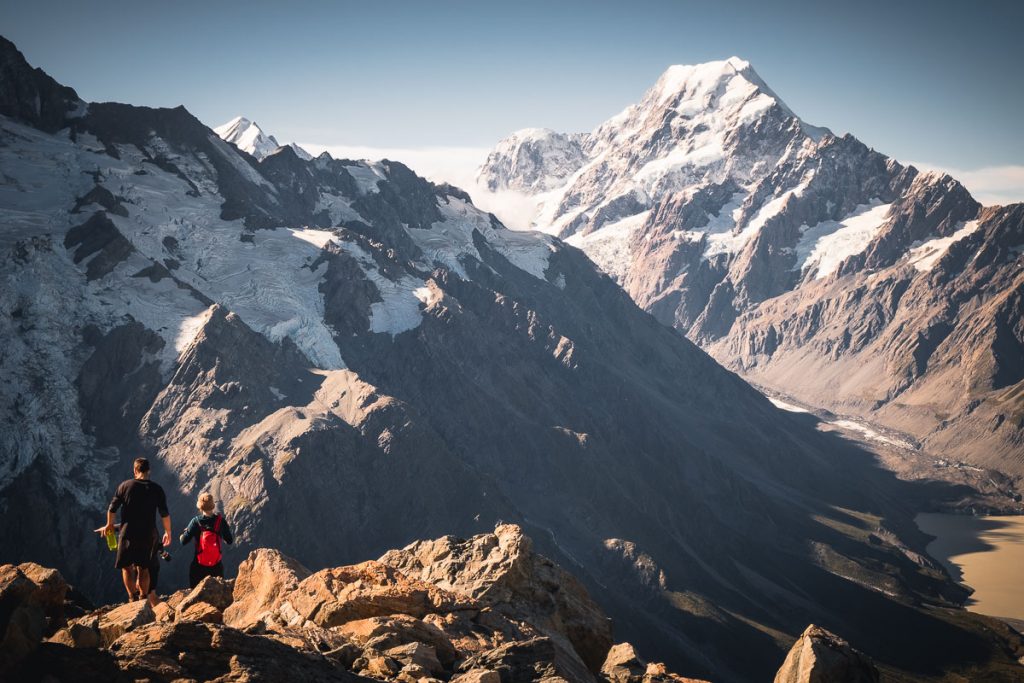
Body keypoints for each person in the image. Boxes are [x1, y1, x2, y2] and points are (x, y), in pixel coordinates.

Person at [104, 457, 171, 602]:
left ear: (135, 470)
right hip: (148, 534)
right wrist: (168, 532)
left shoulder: (125, 486)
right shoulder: (157, 489)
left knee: (126, 567)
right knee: (144, 568)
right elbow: (164, 513)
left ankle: (132, 598)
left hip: (127, 533)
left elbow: (112, 508)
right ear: (149, 471)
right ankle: (143, 598)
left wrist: (109, 524)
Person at [180, 492, 233, 588]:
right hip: (216, 567)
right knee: (218, 593)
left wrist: (183, 534)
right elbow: (229, 541)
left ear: (200, 507)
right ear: (213, 506)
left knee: (195, 594)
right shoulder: (220, 521)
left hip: (199, 567)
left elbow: (183, 541)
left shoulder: (195, 522)